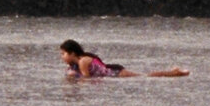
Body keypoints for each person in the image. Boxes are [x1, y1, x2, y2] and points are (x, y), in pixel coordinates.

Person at [60, 39, 189, 79]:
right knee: (145, 75)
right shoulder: (75, 64)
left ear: (72, 53)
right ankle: (174, 73)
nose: (62, 57)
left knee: (146, 76)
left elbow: (86, 79)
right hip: (112, 70)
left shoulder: (82, 61)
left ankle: (174, 73)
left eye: (64, 53)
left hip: (116, 72)